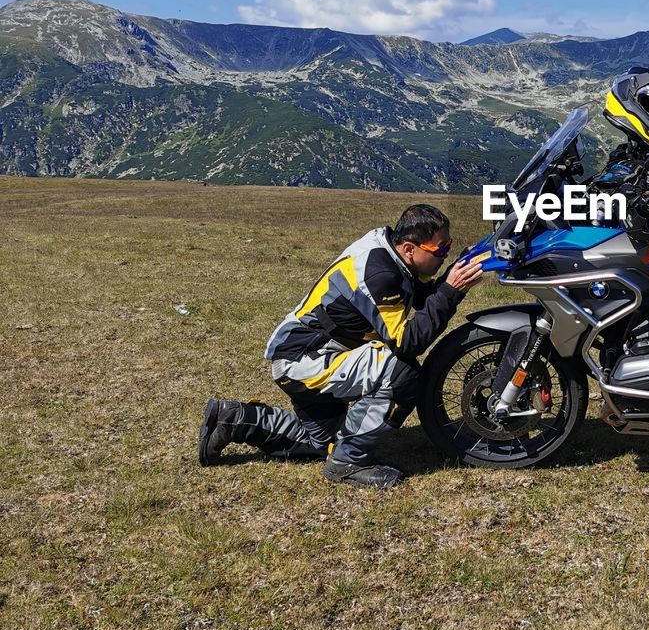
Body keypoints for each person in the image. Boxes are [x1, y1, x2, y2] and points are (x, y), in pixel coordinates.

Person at [197, 203, 485, 488]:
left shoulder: (390, 254)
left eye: (448, 246)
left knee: (321, 442)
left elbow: (420, 299)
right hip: (304, 359)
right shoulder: (379, 273)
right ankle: (349, 463)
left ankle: (231, 419)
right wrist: (449, 290)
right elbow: (408, 342)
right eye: (440, 250)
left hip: (315, 353)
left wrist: (451, 282)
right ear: (409, 248)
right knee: (402, 373)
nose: (444, 254)